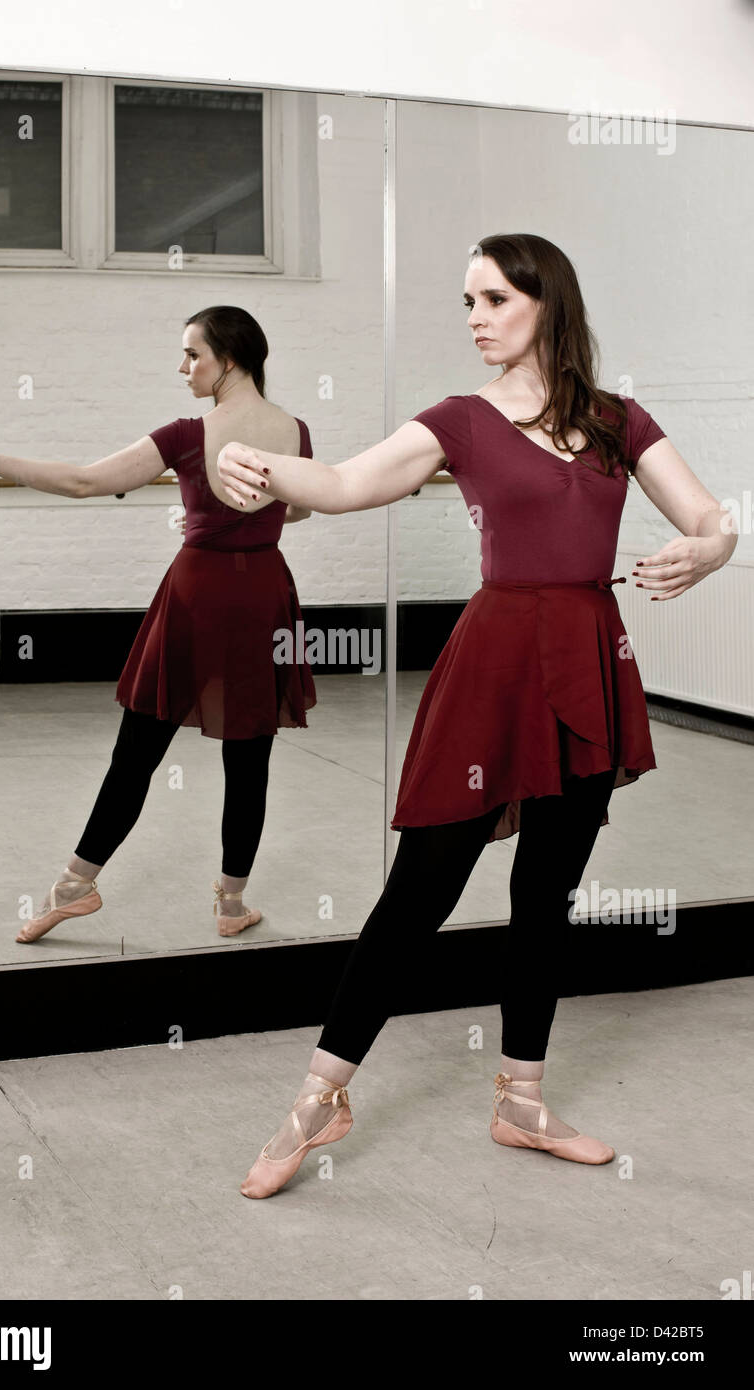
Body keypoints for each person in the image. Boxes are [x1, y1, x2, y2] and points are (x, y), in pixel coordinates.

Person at [215, 233, 738, 1199]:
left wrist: (710, 552)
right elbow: (342, 485)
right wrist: (257, 465)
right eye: (467, 302)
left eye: (493, 298)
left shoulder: (621, 419)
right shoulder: (458, 419)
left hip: (588, 657)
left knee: (548, 893)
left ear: (547, 303)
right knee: (420, 893)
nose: (475, 319)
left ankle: (521, 1101)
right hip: (496, 662)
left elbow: (713, 519)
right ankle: (318, 1098)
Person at [0, 306, 317, 942]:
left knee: (136, 755)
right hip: (261, 594)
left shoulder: (188, 432)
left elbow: (82, 482)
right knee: (250, 758)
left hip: (199, 594)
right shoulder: (297, 430)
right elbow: (298, 511)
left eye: (192, 355)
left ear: (228, 360)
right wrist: (233, 523)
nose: (183, 367)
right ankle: (231, 904)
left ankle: (74, 885)